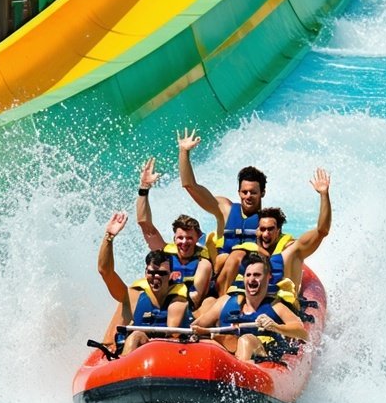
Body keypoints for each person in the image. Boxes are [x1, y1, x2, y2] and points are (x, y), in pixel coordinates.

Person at [176, 128, 291, 275]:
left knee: (238, 256)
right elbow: (190, 185)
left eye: (253, 192)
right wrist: (184, 152)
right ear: (239, 192)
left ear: (262, 193)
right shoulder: (225, 209)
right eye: (244, 192)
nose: (248, 196)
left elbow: (284, 249)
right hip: (221, 274)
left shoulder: (268, 223)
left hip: (251, 279)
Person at [214, 168, 332, 299]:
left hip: (279, 310)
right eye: (262, 229)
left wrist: (324, 194)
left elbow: (322, 231)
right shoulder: (251, 259)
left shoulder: (291, 250)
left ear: (279, 231)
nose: (265, 234)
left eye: (270, 229)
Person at [96, 211, 190, 356]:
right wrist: (109, 237)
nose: (156, 277)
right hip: (136, 359)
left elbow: (176, 330)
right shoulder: (133, 296)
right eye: (151, 273)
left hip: (171, 357)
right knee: (135, 336)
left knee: (136, 336)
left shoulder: (180, 298)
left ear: (171, 275)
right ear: (145, 272)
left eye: (162, 273)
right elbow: (105, 271)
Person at [194, 255, 307, 364]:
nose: (251, 279)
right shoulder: (225, 302)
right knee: (211, 340)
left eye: (257, 275)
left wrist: (276, 327)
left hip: (261, 358)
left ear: (268, 277)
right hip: (228, 352)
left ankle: (239, 374)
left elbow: (302, 333)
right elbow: (197, 326)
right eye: (248, 275)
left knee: (246, 340)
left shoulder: (276, 306)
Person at [135, 156, 213, 311]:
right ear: (174, 238)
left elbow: (197, 297)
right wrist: (144, 188)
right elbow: (145, 225)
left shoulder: (203, 262)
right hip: (164, 302)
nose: (184, 242)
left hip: (191, 309)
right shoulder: (166, 254)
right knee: (136, 293)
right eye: (180, 238)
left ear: (197, 238)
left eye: (189, 238)